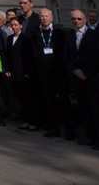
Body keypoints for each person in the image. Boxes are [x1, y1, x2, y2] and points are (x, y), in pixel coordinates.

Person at [67, 10, 99, 149]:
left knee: (96, 109)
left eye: (79, 18)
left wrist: (86, 72)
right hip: (77, 79)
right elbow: (66, 56)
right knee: (84, 109)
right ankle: (90, 136)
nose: (76, 21)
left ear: (84, 19)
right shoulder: (70, 36)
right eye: (74, 19)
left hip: (92, 78)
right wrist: (74, 70)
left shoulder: (95, 35)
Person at [31, 8, 74, 139]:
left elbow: (64, 51)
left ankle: (69, 131)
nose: (44, 18)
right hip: (44, 71)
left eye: (46, 16)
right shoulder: (35, 32)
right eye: (42, 16)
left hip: (59, 71)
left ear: (51, 18)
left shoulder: (59, 32)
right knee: (50, 101)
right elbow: (34, 51)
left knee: (64, 101)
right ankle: (54, 128)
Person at [4, 17, 37, 130]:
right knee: (20, 97)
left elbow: (29, 57)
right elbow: (8, 55)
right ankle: (26, 120)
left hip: (23, 72)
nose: (14, 27)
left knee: (29, 98)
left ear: (21, 26)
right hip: (14, 72)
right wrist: (7, 69)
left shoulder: (25, 39)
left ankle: (33, 121)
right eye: (12, 25)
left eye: (16, 25)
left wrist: (28, 71)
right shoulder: (9, 38)